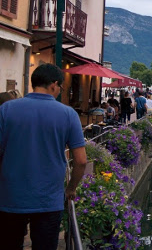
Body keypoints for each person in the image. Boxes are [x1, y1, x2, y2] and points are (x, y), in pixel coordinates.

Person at [0, 63, 87, 249]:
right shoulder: (68, 114)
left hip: (10, 197)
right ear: (54, 84)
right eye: (61, 88)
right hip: (49, 199)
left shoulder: (6, 110)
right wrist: (71, 188)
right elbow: (81, 161)